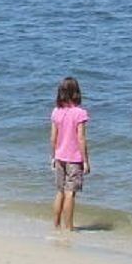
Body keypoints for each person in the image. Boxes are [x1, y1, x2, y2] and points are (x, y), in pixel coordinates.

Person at [49, 76, 91, 231]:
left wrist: (53, 156)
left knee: (60, 191)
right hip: (74, 159)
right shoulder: (80, 113)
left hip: (59, 157)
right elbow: (81, 138)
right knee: (70, 193)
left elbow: (53, 137)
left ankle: (56, 224)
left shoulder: (56, 112)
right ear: (76, 93)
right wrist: (85, 161)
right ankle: (69, 226)